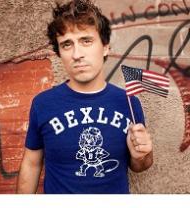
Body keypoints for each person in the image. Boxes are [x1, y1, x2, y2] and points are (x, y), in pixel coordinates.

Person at [16, 0, 153, 194]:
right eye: (66, 45)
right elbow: (31, 164)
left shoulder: (129, 102)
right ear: (59, 53)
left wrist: (143, 155)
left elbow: (140, 165)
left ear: (105, 47)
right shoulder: (43, 104)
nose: (77, 54)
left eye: (86, 41)